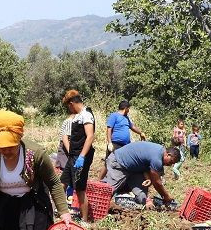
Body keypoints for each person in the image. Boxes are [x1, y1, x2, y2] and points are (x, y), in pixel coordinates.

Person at [102, 141, 180, 208]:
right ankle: (94, 204)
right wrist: (166, 196)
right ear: (168, 155)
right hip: (119, 163)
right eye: (171, 162)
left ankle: (121, 199)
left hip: (133, 170)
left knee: (142, 198)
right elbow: (157, 183)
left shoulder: (160, 151)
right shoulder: (157, 158)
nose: (170, 165)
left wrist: (148, 178)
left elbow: (143, 161)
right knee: (106, 191)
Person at [58, 90, 95, 222]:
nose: (69, 108)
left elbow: (90, 136)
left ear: (73, 103)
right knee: (62, 183)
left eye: (69, 106)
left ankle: (85, 220)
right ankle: (61, 211)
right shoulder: (78, 116)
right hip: (73, 156)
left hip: (81, 157)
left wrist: (82, 156)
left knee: (79, 189)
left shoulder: (86, 115)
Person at [98, 100, 146, 180]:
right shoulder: (114, 116)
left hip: (125, 146)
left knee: (123, 163)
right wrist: (109, 142)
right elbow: (109, 129)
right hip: (115, 144)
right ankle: (99, 180)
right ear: (126, 108)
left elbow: (132, 127)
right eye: (129, 109)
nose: (129, 111)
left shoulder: (126, 118)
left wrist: (141, 133)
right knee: (108, 162)